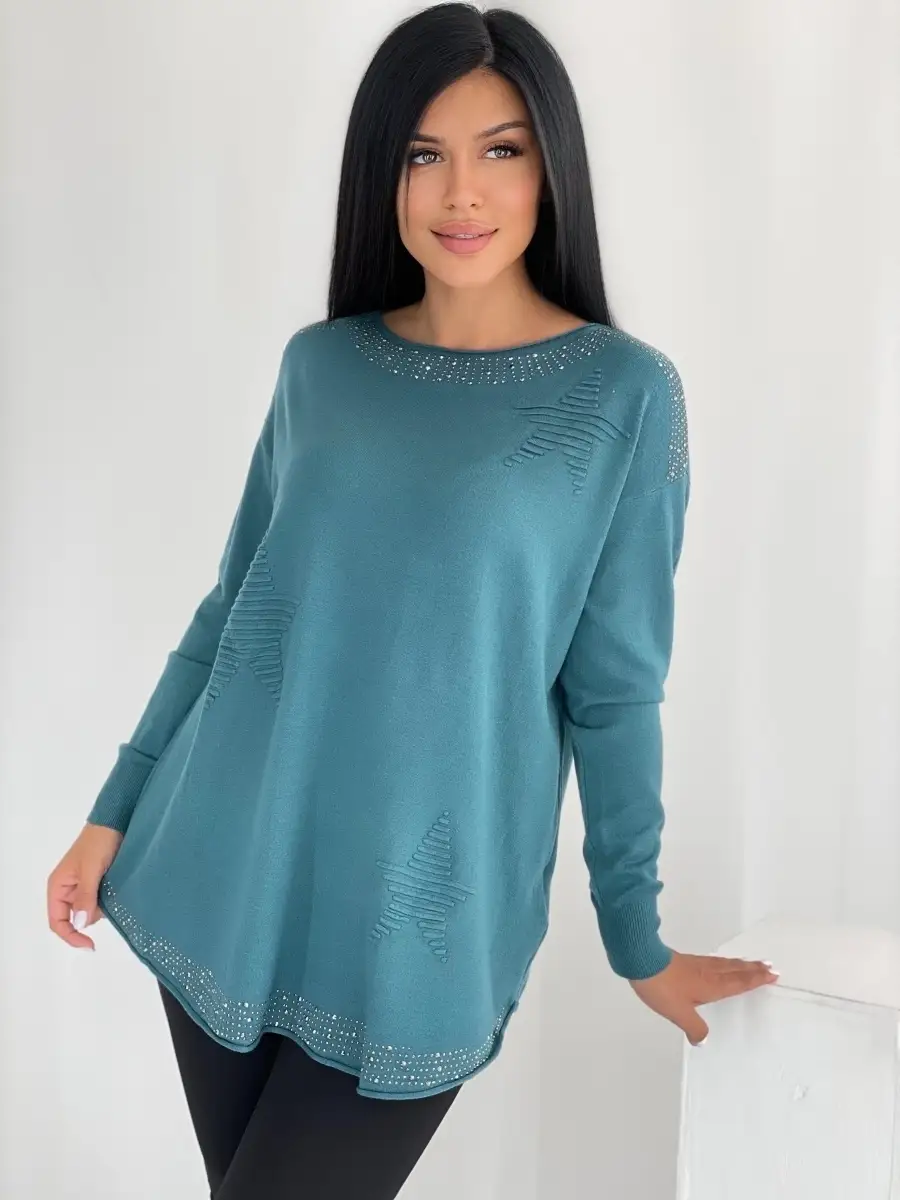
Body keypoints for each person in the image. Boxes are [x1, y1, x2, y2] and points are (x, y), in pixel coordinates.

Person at [46, 4, 777, 1197]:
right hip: (225, 863)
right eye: (423, 154)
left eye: (501, 149)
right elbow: (234, 609)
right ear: (381, 173)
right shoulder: (322, 366)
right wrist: (111, 811)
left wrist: (635, 940)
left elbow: (614, 692)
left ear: (551, 166)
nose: (460, 192)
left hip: (418, 932)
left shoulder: (624, 397)